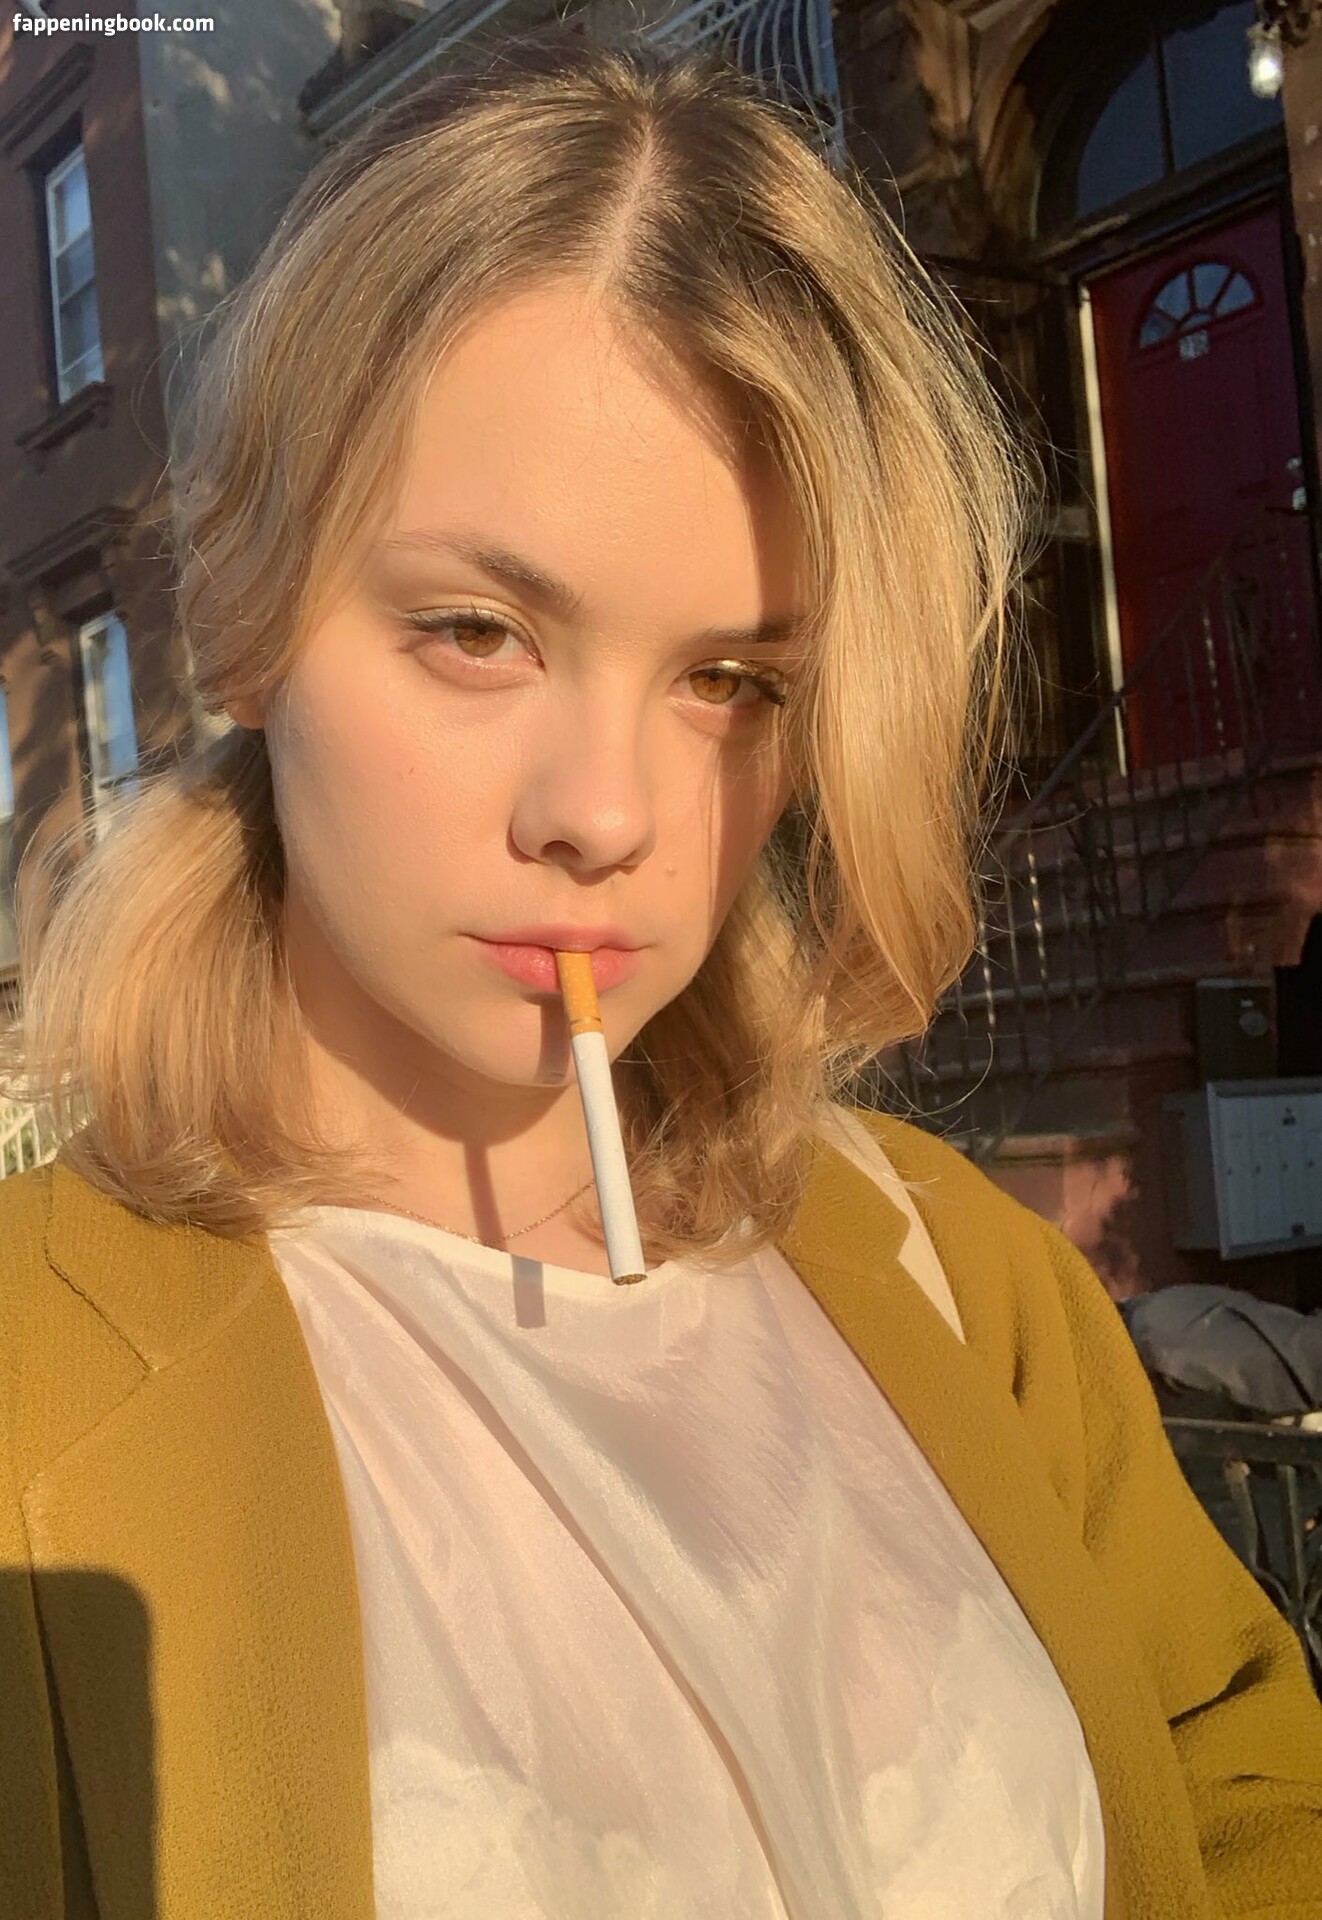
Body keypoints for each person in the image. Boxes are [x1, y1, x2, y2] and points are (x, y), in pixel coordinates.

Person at [2, 25, 1320, 1920]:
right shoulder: (37, 1397)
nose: (605, 814)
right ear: (248, 617)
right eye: (476, 629)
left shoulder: (962, 1280)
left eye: (730, 679)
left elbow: (1233, 1780)